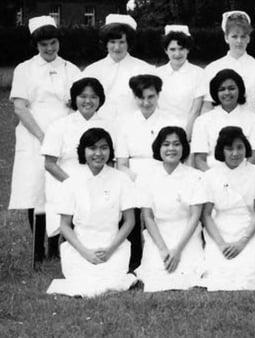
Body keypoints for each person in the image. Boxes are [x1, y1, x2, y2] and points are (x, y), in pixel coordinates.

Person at [9, 16, 80, 266]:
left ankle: (56, 246)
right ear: (35, 46)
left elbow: (81, 103)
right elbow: (20, 108)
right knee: (36, 191)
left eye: (53, 43)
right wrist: (43, 137)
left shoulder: (71, 69)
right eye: (43, 45)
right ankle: (38, 250)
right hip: (34, 138)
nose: (49, 49)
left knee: (62, 190)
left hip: (65, 138)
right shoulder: (24, 69)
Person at [46, 128, 138, 297]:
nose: (98, 153)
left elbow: (130, 221)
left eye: (104, 148)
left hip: (113, 245)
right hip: (80, 246)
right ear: (83, 151)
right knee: (83, 284)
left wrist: (110, 250)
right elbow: (65, 226)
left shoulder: (121, 179)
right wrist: (85, 252)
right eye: (92, 148)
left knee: (111, 282)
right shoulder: (71, 181)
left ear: (110, 151)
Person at [135, 126, 207, 292]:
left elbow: (195, 216)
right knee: (156, 273)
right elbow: (148, 217)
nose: (171, 149)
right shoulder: (146, 177)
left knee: (188, 272)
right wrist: (162, 248)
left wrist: (178, 250)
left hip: (187, 234)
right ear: (158, 147)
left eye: (176, 144)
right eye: (166, 144)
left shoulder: (196, 176)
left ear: (184, 148)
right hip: (158, 234)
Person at [200, 126, 255, 291]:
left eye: (239, 147)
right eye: (229, 148)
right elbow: (206, 215)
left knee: (246, 277)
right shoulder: (210, 176)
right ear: (221, 151)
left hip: (248, 230)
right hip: (219, 231)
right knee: (218, 275)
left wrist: (242, 242)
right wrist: (221, 244)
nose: (235, 153)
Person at [42, 78, 113, 239]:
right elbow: (50, 164)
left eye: (93, 97)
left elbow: (110, 161)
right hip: (65, 180)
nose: (88, 101)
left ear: (100, 100)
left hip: (101, 180)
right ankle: (61, 240)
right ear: (74, 98)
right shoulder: (59, 125)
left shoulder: (109, 125)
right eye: (83, 96)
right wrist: (74, 185)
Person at [191, 69, 255, 171]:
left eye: (231, 88)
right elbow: (199, 160)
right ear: (215, 93)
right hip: (212, 176)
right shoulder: (202, 121)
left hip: (244, 176)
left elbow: (254, 157)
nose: (227, 93)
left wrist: (238, 177)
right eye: (222, 89)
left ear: (240, 90)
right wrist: (216, 179)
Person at [82, 14, 154, 119]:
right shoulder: (92, 71)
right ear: (106, 43)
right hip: (100, 127)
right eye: (112, 42)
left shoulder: (145, 70)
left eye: (122, 42)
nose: (117, 47)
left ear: (129, 43)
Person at [202, 11, 255, 121]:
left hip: (249, 129)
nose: (239, 41)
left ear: (248, 38)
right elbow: (207, 106)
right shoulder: (212, 68)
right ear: (226, 38)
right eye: (234, 36)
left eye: (243, 36)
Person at [116, 74, 181, 179]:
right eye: (141, 98)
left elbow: (180, 160)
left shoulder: (172, 122)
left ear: (158, 95)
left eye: (151, 97)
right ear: (134, 96)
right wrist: (137, 179)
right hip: (133, 178)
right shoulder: (125, 123)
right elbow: (122, 165)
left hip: (166, 176)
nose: (146, 103)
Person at [154, 25, 205, 138]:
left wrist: (186, 137)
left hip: (189, 132)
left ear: (188, 49)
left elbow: (195, 110)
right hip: (160, 131)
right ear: (165, 50)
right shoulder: (156, 74)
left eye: (181, 48)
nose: (177, 54)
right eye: (172, 49)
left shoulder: (199, 74)